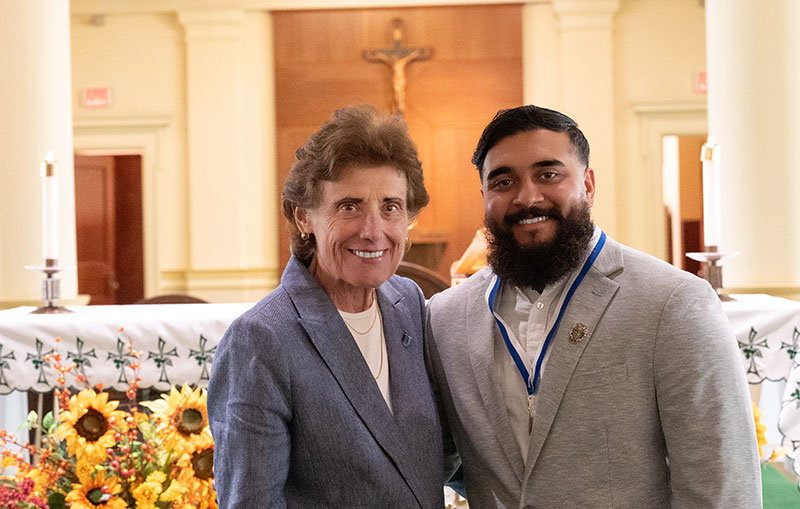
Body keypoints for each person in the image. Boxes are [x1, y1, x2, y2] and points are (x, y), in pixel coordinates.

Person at [424, 105, 762, 507]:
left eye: (548, 174)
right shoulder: (445, 317)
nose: (527, 197)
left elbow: (721, 485)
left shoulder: (671, 303)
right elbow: (450, 462)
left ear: (588, 184)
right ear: (484, 196)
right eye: (503, 181)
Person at [208, 104, 443, 508]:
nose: (373, 231)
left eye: (390, 207)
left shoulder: (409, 304)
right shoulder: (262, 339)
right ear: (303, 217)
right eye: (349, 206)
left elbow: (433, 460)